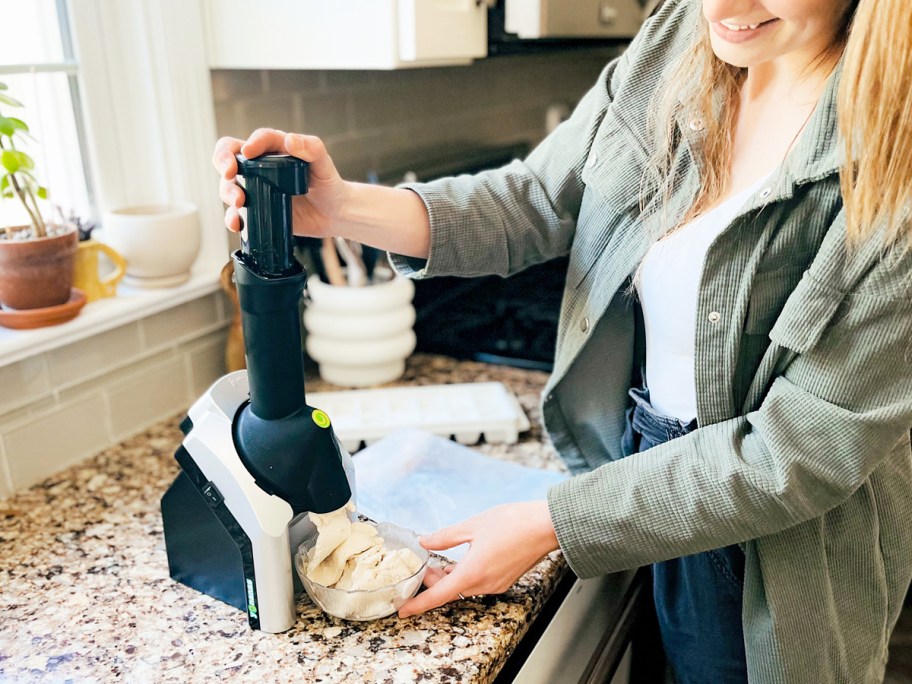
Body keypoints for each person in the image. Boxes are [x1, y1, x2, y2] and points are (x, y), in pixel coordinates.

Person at [212, 0, 912, 680]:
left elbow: (799, 451)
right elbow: (536, 200)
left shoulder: (893, 153)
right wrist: (340, 208)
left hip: (777, 547)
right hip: (632, 465)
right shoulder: (679, 38)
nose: (721, 5)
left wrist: (554, 521)